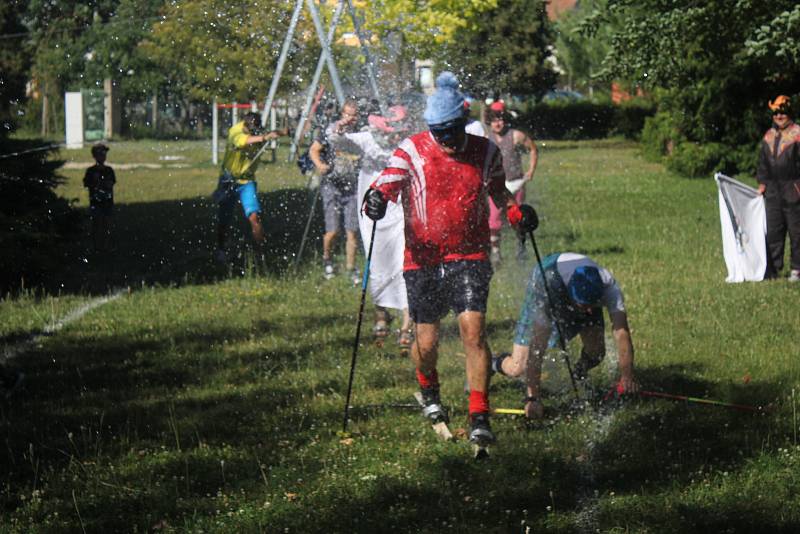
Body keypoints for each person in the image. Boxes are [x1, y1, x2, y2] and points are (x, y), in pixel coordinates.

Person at [363, 72, 538, 446]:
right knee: (426, 343)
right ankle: (429, 390)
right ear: (431, 129)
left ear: (463, 122)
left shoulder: (485, 151)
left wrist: (517, 216)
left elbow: (500, 195)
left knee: (473, 332)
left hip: (469, 255)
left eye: (454, 132)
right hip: (423, 259)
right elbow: (379, 191)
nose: (449, 141)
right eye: (440, 134)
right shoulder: (411, 150)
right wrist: (375, 200)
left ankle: (479, 415)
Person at [491, 252, 639, 419]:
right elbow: (537, 347)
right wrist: (533, 398)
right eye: (584, 306)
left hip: (578, 291)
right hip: (549, 278)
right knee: (519, 367)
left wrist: (627, 376)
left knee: (596, 353)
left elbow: (621, 333)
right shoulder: (547, 285)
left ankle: (578, 374)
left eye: (593, 305)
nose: (589, 311)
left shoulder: (609, 287)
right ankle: (492, 362)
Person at [327, 105, 414, 352]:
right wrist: (339, 128)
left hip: (399, 209)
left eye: (398, 131)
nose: (394, 136)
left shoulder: (407, 144)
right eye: (390, 131)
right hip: (373, 208)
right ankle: (381, 313)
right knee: (376, 261)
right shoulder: (367, 139)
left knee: (405, 262)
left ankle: (407, 324)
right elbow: (336, 141)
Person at [214, 112, 287, 262]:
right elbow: (243, 141)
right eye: (251, 130)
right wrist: (264, 138)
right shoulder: (235, 131)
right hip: (229, 180)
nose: (254, 132)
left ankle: (260, 253)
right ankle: (221, 249)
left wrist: (282, 132)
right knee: (224, 219)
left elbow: (271, 134)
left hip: (247, 182)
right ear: (245, 125)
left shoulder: (257, 132)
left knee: (255, 217)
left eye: (257, 130)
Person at [310, 99, 362, 284]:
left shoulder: (360, 133)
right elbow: (314, 150)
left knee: (352, 232)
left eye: (353, 115)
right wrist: (320, 164)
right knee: (333, 231)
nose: (349, 118)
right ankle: (327, 260)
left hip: (352, 188)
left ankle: (351, 268)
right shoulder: (331, 129)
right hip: (331, 185)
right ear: (342, 114)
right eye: (346, 114)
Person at [484, 100, 539, 265]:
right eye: (494, 119)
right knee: (493, 219)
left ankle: (521, 246)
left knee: (517, 217)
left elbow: (533, 149)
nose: (497, 123)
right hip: (496, 185)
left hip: (516, 183)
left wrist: (531, 170)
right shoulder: (487, 138)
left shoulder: (515, 135)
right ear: (489, 121)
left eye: (500, 119)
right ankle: (496, 252)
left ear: (505, 119)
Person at [756, 95, 800, 282]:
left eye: (782, 112)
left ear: (789, 112)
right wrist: (762, 183)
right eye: (776, 112)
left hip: (793, 187)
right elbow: (763, 164)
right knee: (773, 230)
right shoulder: (768, 135)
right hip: (772, 190)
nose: (779, 116)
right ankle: (773, 269)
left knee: (796, 231)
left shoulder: (797, 134)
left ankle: (797, 269)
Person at [83, 142, 116, 252]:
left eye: (104, 154)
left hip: (107, 201)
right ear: (94, 156)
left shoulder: (109, 170)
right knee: (96, 224)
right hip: (96, 202)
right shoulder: (91, 171)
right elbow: (87, 184)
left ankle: (106, 245)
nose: (102, 156)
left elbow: (111, 183)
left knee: (107, 224)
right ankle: (96, 245)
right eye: (100, 154)